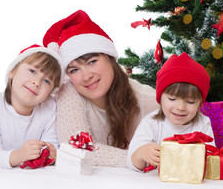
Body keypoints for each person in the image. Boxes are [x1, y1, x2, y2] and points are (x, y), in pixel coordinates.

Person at [42, 10, 159, 167]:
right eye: (74, 70)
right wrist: (135, 157)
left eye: (92, 62)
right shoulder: (69, 92)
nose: (86, 76)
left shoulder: (144, 97)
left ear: (110, 58)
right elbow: (76, 149)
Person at [127, 52, 215, 171]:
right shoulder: (151, 123)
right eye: (172, 99)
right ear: (160, 98)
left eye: (190, 102)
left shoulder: (203, 123)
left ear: (199, 103)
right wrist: (142, 153)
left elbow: (210, 160)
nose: (180, 107)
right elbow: (131, 162)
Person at [0, 44, 64, 168]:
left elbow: (50, 146)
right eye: (32, 71)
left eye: (47, 81)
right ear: (12, 71)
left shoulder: (49, 108)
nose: (37, 82)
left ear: (50, 93)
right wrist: (19, 155)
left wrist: (51, 154)